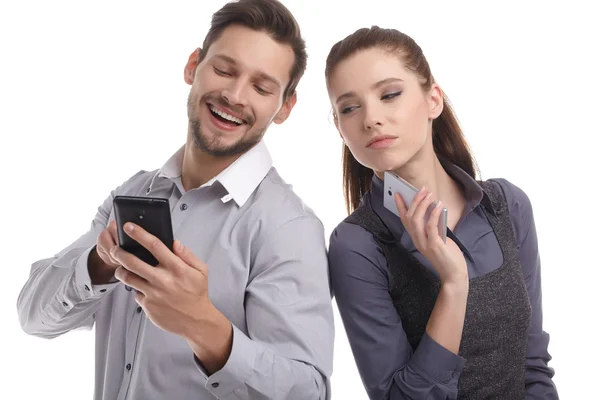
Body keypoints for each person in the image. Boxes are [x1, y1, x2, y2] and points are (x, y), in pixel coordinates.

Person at [17, 1, 334, 399]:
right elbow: (32, 317)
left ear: (284, 107)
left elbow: (308, 392)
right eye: (224, 69)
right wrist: (100, 263)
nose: (235, 95)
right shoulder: (132, 194)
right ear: (192, 66)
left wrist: (203, 325)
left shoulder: (289, 228)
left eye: (261, 87)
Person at [325, 26, 558, 399]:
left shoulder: (507, 207)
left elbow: (532, 366)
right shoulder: (356, 245)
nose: (370, 118)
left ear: (433, 100)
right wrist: (453, 285)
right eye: (349, 108)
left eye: (389, 94)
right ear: (339, 127)